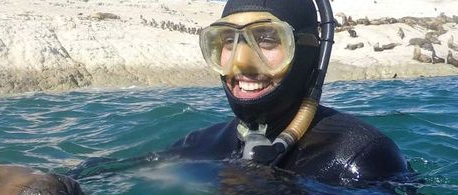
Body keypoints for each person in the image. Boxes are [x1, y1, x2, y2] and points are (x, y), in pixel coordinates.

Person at [169, 0, 410, 183]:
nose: (241, 62)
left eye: (266, 39)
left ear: (308, 51)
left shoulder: (360, 158)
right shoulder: (196, 146)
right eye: (228, 41)